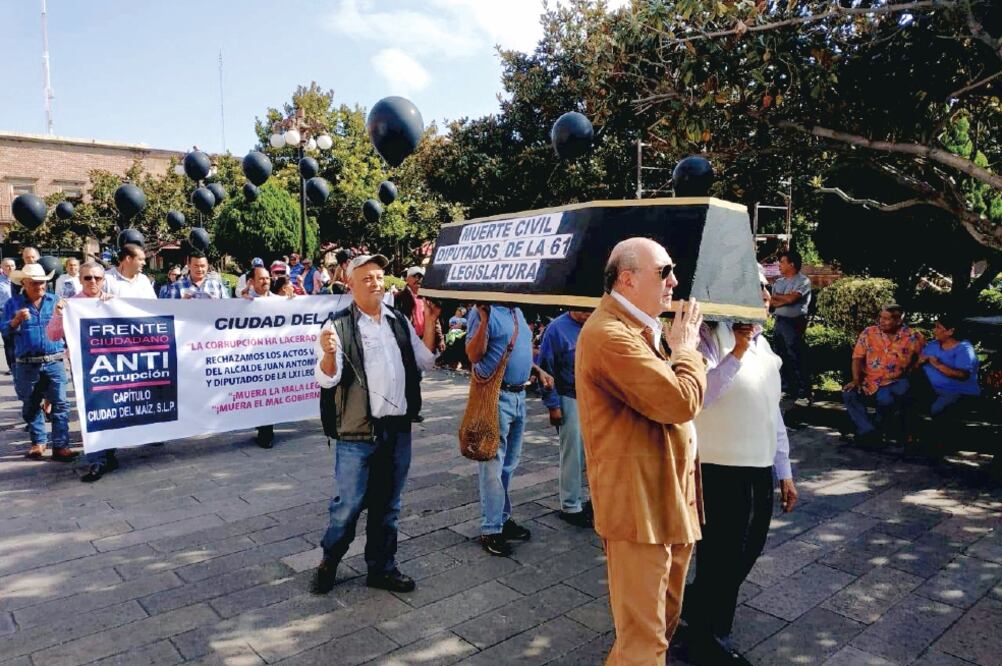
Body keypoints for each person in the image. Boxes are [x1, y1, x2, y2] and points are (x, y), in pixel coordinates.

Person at [575, 237, 706, 664]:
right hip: (639, 508)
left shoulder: (640, 327)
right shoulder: (609, 334)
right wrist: (686, 349)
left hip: (666, 499)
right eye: (664, 271)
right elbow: (680, 401)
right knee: (644, 642)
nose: (674, 280)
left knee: (659, 628)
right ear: (627, 280)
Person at [682, 269, 797, 666]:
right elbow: (700, 397)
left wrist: (785, 471)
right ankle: (711, 636)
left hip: (758, 465)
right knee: (721, 554)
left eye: (769, 290)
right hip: (718, 467)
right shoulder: (711, 337)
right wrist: (737, 352)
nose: (767, 295)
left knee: (749, 548)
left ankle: (695, 608)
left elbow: (772, 412)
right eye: (760, 289)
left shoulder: (766, 347)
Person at [311, 254, 441, 595]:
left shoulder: (397, 320)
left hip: (397, 430)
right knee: (349, 505)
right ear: (350, 284)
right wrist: (327, 354)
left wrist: (430, 321)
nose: (376, 283)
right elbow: (327, 380)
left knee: (389, 506)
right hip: (356, 434)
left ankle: (382, 568)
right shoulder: (336, 326)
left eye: (380, 277)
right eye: (367, 278)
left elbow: (425, 361)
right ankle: (330, 560)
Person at [466, 302, 553, 556]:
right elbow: (473, 355)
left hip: (518, 396)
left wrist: (537, 369)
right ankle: (491, 529)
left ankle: (502, 518)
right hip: (495, 397)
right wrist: (483, 320)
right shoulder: (483, 311)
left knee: (508, 464)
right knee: (492, 464)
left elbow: (515, 350)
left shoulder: (516, 311)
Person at [47, 262, 118, 481]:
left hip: (115, 369)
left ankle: (109, 454)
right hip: (86, 371)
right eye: (88, 278)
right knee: (93, 414)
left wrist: (113, 306)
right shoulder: (70, 305)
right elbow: (52, 335)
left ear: (103, 280)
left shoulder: (113, 302)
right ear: (80, 280)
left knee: (113, 412)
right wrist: (59, 314)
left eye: (97, 278)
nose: (93, 282)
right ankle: (97, 460)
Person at [0, 263, 77, 462]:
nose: (40, 286)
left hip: (54, 362)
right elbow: (5, 332)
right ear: (24, 283)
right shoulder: (13, 304)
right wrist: (15, 321)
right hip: (26, 364)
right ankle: (38, 443)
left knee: (60, 404)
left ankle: (61, 445)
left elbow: (72, 326)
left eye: (42, 282)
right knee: (31, 404)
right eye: (35, 283)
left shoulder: (55, 301)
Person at [537, 310, 594, 528]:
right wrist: (553, 405)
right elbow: (545, 367)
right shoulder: (557, 329)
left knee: (596, 454)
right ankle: (571, 505)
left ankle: (594, 501)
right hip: (569, 396)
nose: (589, 314)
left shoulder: (597, 323)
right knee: (573, 454)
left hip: (596, 398)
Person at [842, 303, 925, 447]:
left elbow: (922, 358)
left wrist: (910, 370)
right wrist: (856, 380)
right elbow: (857, 357)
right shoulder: (869, 332)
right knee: (849, 394)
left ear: (898, 321)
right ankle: (869, 431)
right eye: (881, 317)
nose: (881, 321)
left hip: (894, 382)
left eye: (886, 319)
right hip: (869, 381)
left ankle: (870, 433)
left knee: (885, 399)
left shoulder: (913, 337)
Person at [915, 313, 980, 426]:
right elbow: (915, 366)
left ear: (950, 331)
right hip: (930, 389)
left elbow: (963, 375)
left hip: (957, 392)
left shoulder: (964, 348)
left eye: (938, 327)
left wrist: (938, 364)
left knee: (937, 409)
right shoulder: (932, 345)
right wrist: (918, 362)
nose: (934, 330)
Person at [769, 250, 813, 401]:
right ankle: (787, 387)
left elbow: (792, 299)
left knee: (795, 354)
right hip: (779, 320)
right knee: (780, 354)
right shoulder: (778, 282)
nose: (779, 265)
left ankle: (804, 390)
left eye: (782, 262)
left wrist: (782, 299)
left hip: (795, 323)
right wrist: (784, 299)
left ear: (791, 264)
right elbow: (771, 301)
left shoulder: (803, 281)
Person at [1, 258, 17, 373]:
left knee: (20, 338)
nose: (10, 268)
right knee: (8, 341)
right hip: (4, 313)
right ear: (2, 267)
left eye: (12, 265)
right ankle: (12, 366)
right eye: (7, 266)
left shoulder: (19, 280)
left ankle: (21, 363)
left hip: (19, 312)